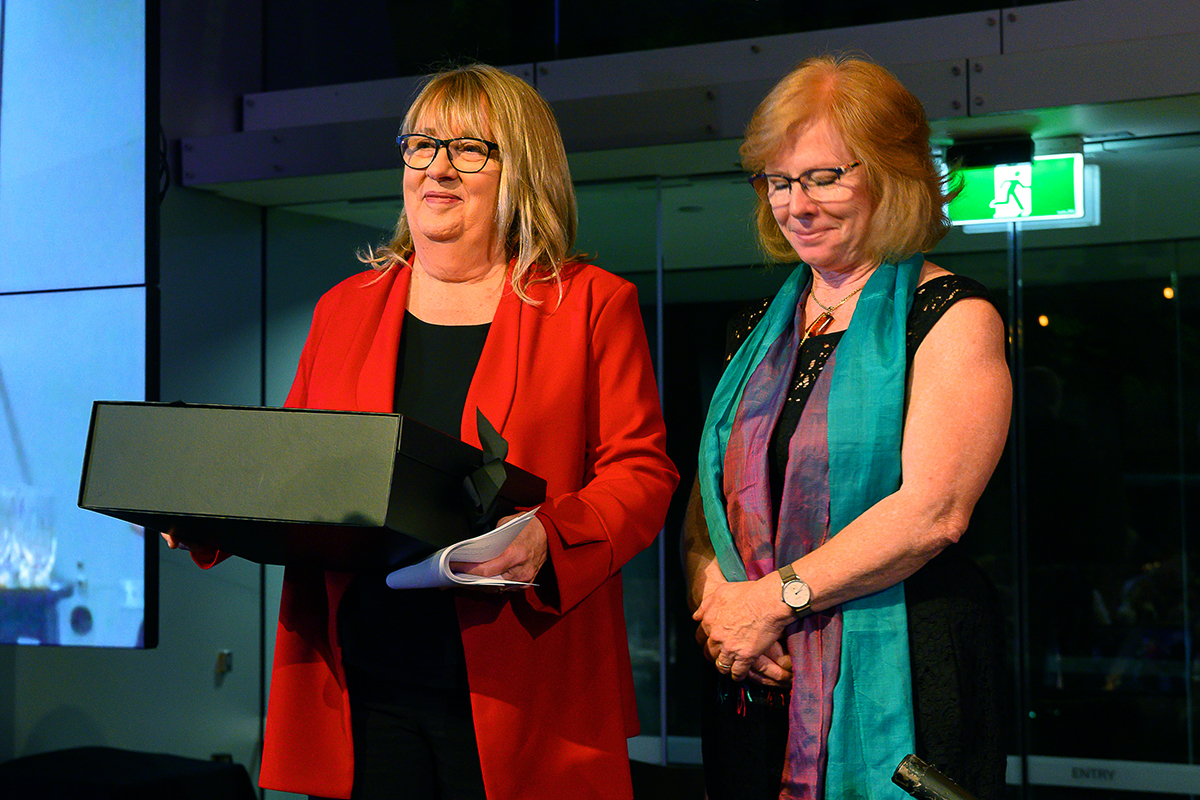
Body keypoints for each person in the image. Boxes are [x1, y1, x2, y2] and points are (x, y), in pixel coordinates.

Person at [165, 63, 678, 800]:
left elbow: (642, 473)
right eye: (421, 145)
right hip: (362, 684)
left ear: (521, 170)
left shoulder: (591, 304)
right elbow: (291, 469)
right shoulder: (345, 308)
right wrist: (202, 511)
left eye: (470, 149)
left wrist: (550, 537)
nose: (437, 167)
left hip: (523, 691)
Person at [682, 55, 1011, 800]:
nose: (796, 204)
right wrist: (719, 605)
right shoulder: (753, 334)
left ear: (894, 173)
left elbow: (933, 513)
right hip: (754, 674)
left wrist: (768, 601)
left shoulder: (954, 318)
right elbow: (705, 507)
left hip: (910, 677)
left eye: (824, 176)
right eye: (778, 179)